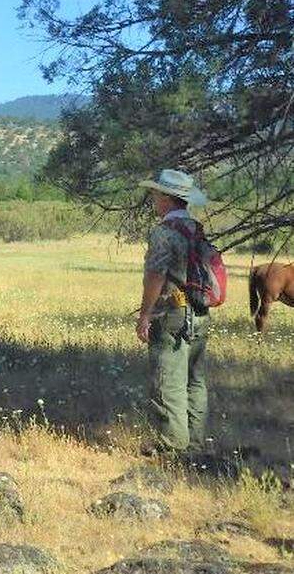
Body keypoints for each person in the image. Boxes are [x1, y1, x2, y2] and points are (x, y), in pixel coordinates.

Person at [135, 169, 211, 456]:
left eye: (156, 194)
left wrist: (145, 314)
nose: (153, 199)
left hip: (173, 314)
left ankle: (172, 449)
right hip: (200, 313)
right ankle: (194, 446)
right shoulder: (196, 229)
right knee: (195, 381)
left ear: (166, 198)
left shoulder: (164, 232)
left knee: (167, 382)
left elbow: (155, 275)